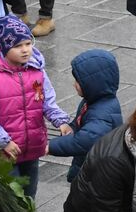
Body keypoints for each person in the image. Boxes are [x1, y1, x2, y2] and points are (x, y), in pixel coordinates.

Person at [0, 16, 71, 199]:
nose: (25, 50)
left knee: (29, 195)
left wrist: (60, 121)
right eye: (17, 46)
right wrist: (3, 141)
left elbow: (46, 100)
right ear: (4, 48)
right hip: (4, 152)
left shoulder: (37, 72)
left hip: (32, 148)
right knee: (12, 199)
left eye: (27, 43)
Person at [49, 49, 122, 181]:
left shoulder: (102, 115)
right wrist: (72, 128)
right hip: (87, 166)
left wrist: (50, 146)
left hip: (96, 177)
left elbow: (83, 141)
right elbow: (81, 122)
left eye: (78, 81)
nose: (74, 84)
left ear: (93, 84)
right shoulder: (92, 100)